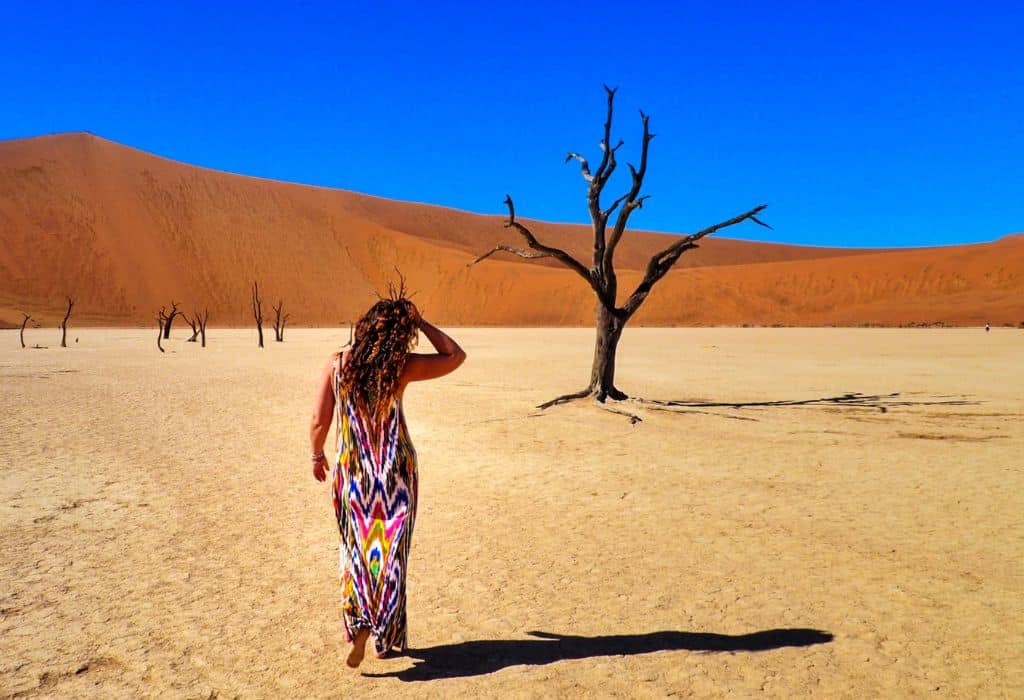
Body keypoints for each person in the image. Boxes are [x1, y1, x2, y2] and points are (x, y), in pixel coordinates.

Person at [309, 293, 465, 668]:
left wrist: (316, 454)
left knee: (357, 553)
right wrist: (422, 323)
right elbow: (454, 356)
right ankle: (384, 636)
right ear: (401, 335)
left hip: (352, 474)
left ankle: (361, 620)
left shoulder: (336, 365)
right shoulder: (401, 367)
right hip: (396, 473)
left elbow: (319, 420)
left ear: (364, 326)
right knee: (392, 554)